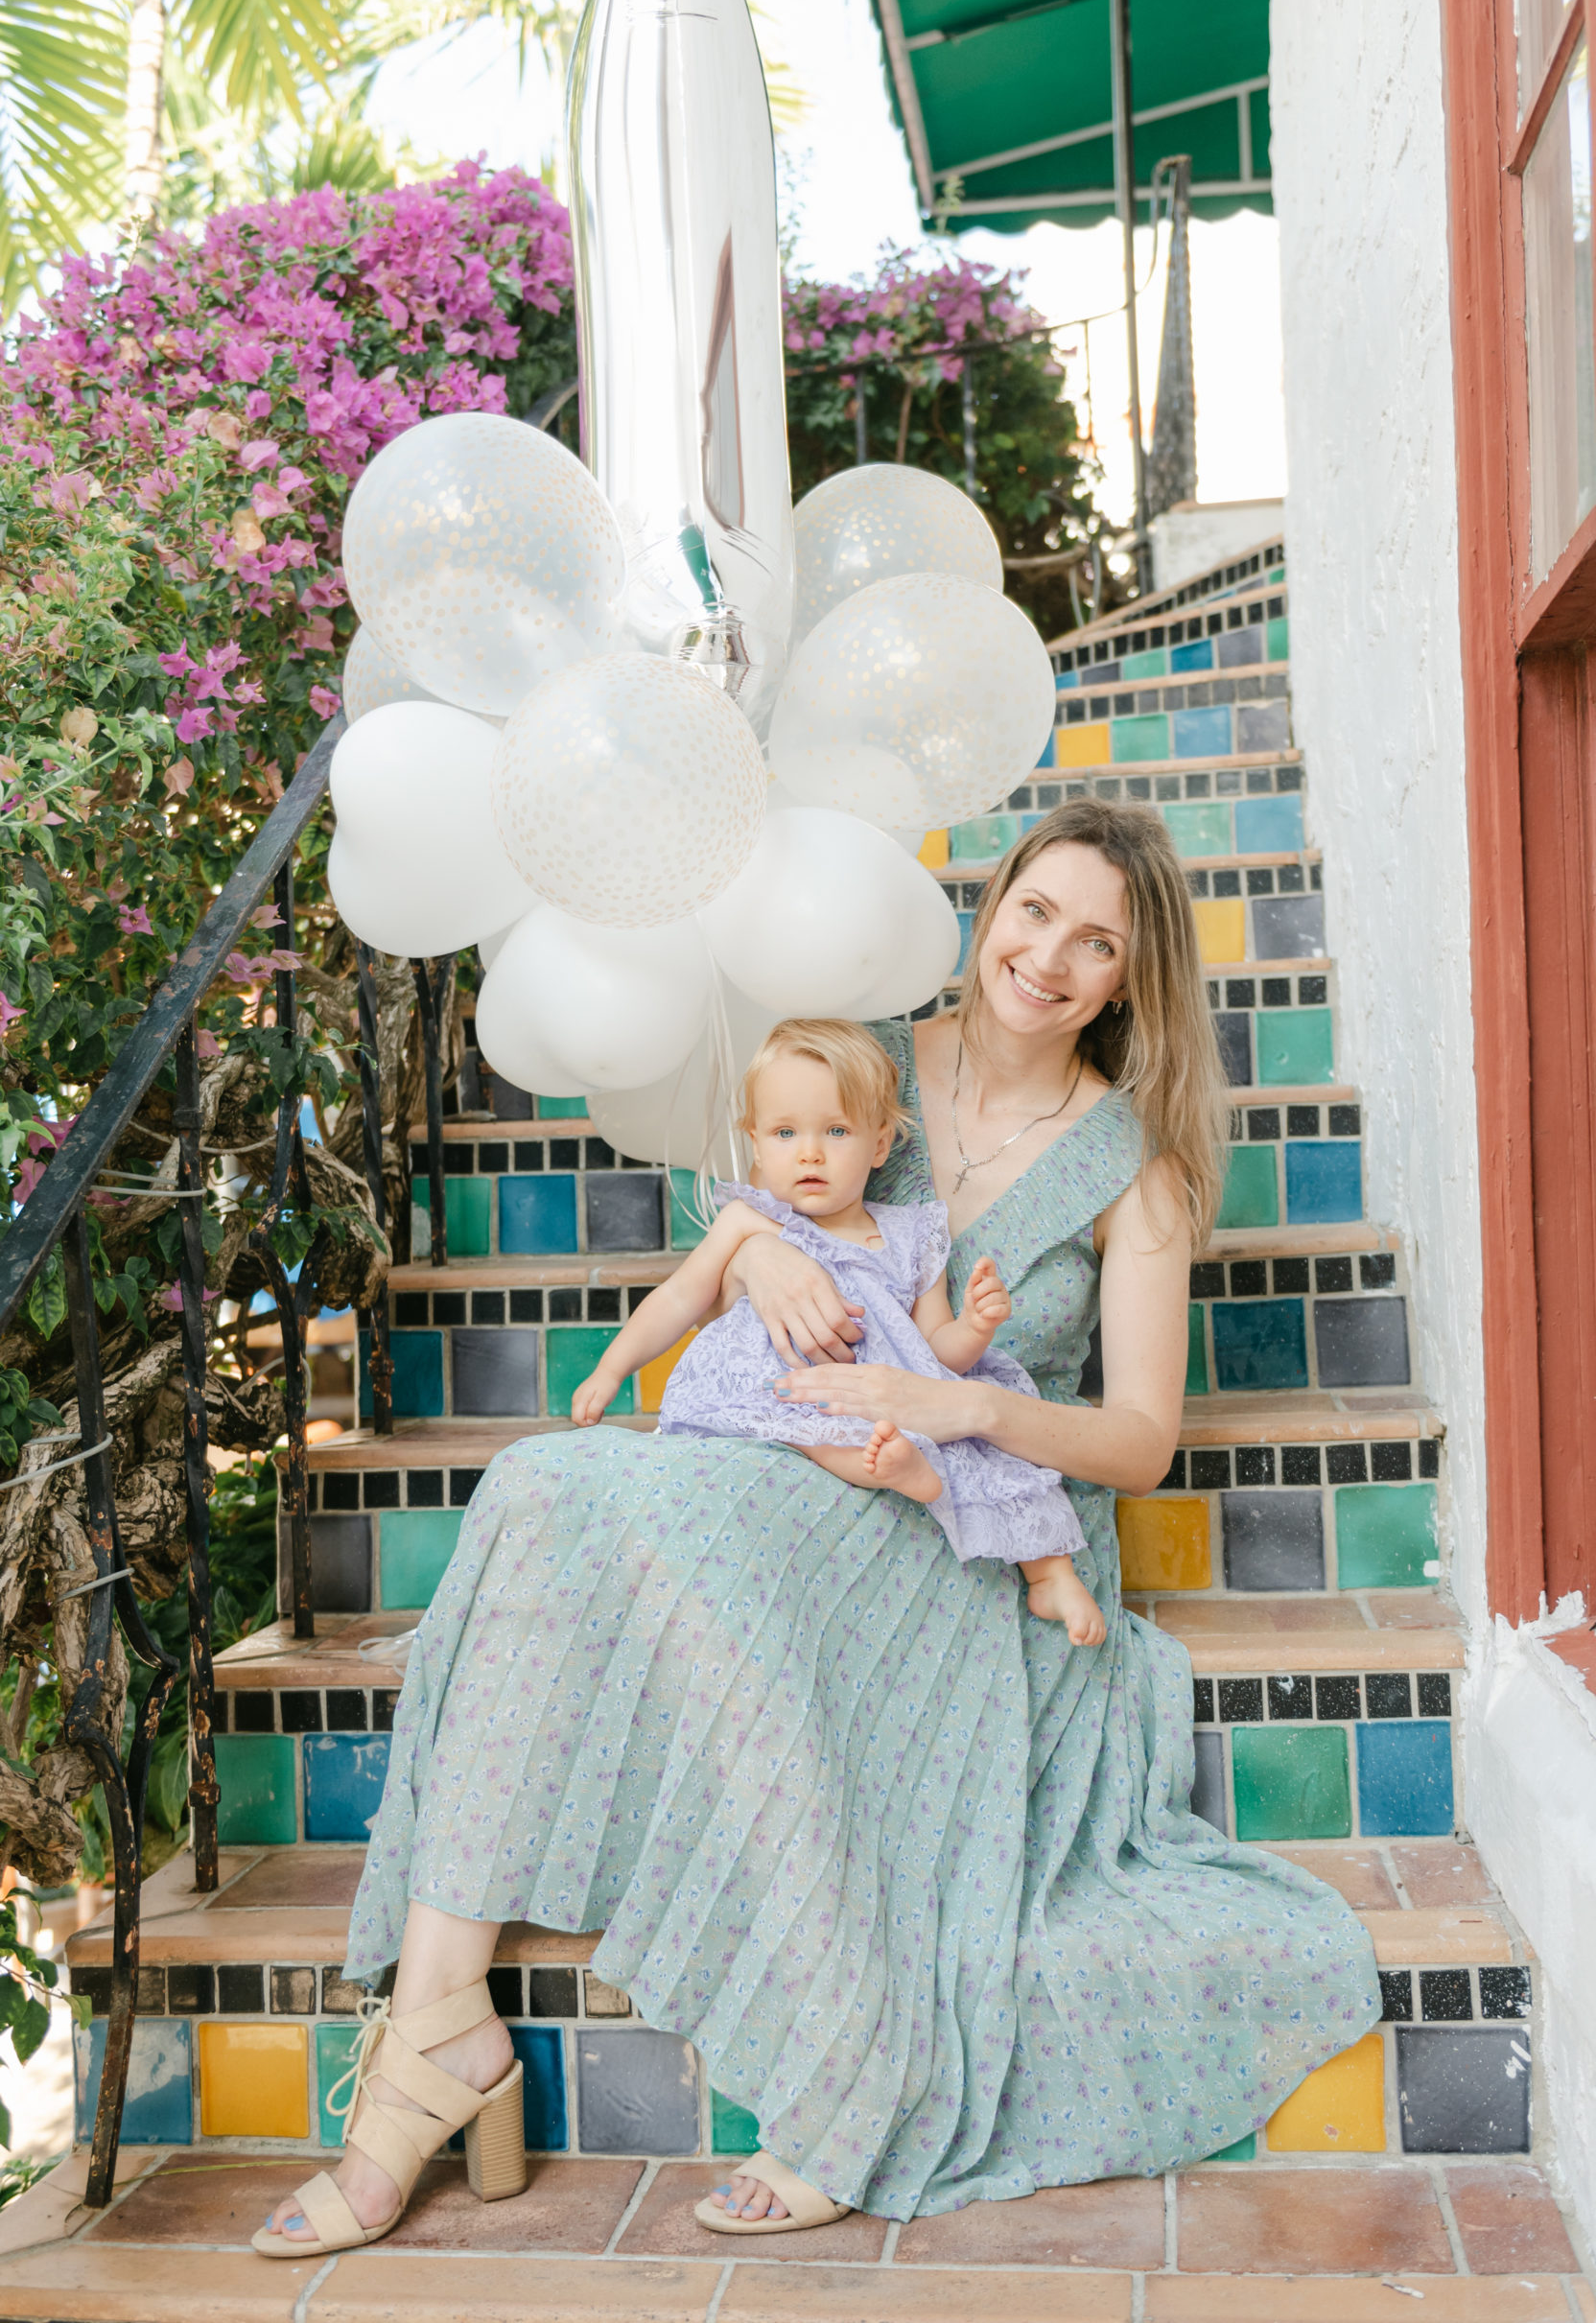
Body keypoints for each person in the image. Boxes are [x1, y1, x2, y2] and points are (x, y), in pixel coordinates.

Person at [254, 798, 1381, 2258]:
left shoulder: (1130, 1162)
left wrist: (971, 1415)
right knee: (542, 1487)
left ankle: (826, 2054)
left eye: (1096, 944)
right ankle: (438, 2019)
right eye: (1036, 911)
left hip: (960, 1521)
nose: (1049, 958)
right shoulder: (864, 1062)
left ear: (1127, 979)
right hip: (780, 1459)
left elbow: (1142, 1440)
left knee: (668, 1562)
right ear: (994, 903)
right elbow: (747, 1233)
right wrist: (767, 1275)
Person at [571, 1014, 1103, 1643]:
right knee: (812, 1427)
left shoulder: (910, 1236)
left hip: (892, 1397)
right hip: (788, 1389)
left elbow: (937, 1356)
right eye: (785, 1131)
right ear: (755, 1142)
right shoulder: (746, 1220)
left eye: (836, 1130)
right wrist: (612, 1367)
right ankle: (890, 1470)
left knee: (994, 1453)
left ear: (879, 1144)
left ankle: (1050, 1576)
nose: (809, 1152)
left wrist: (975, 1326)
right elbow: (679, 1297)